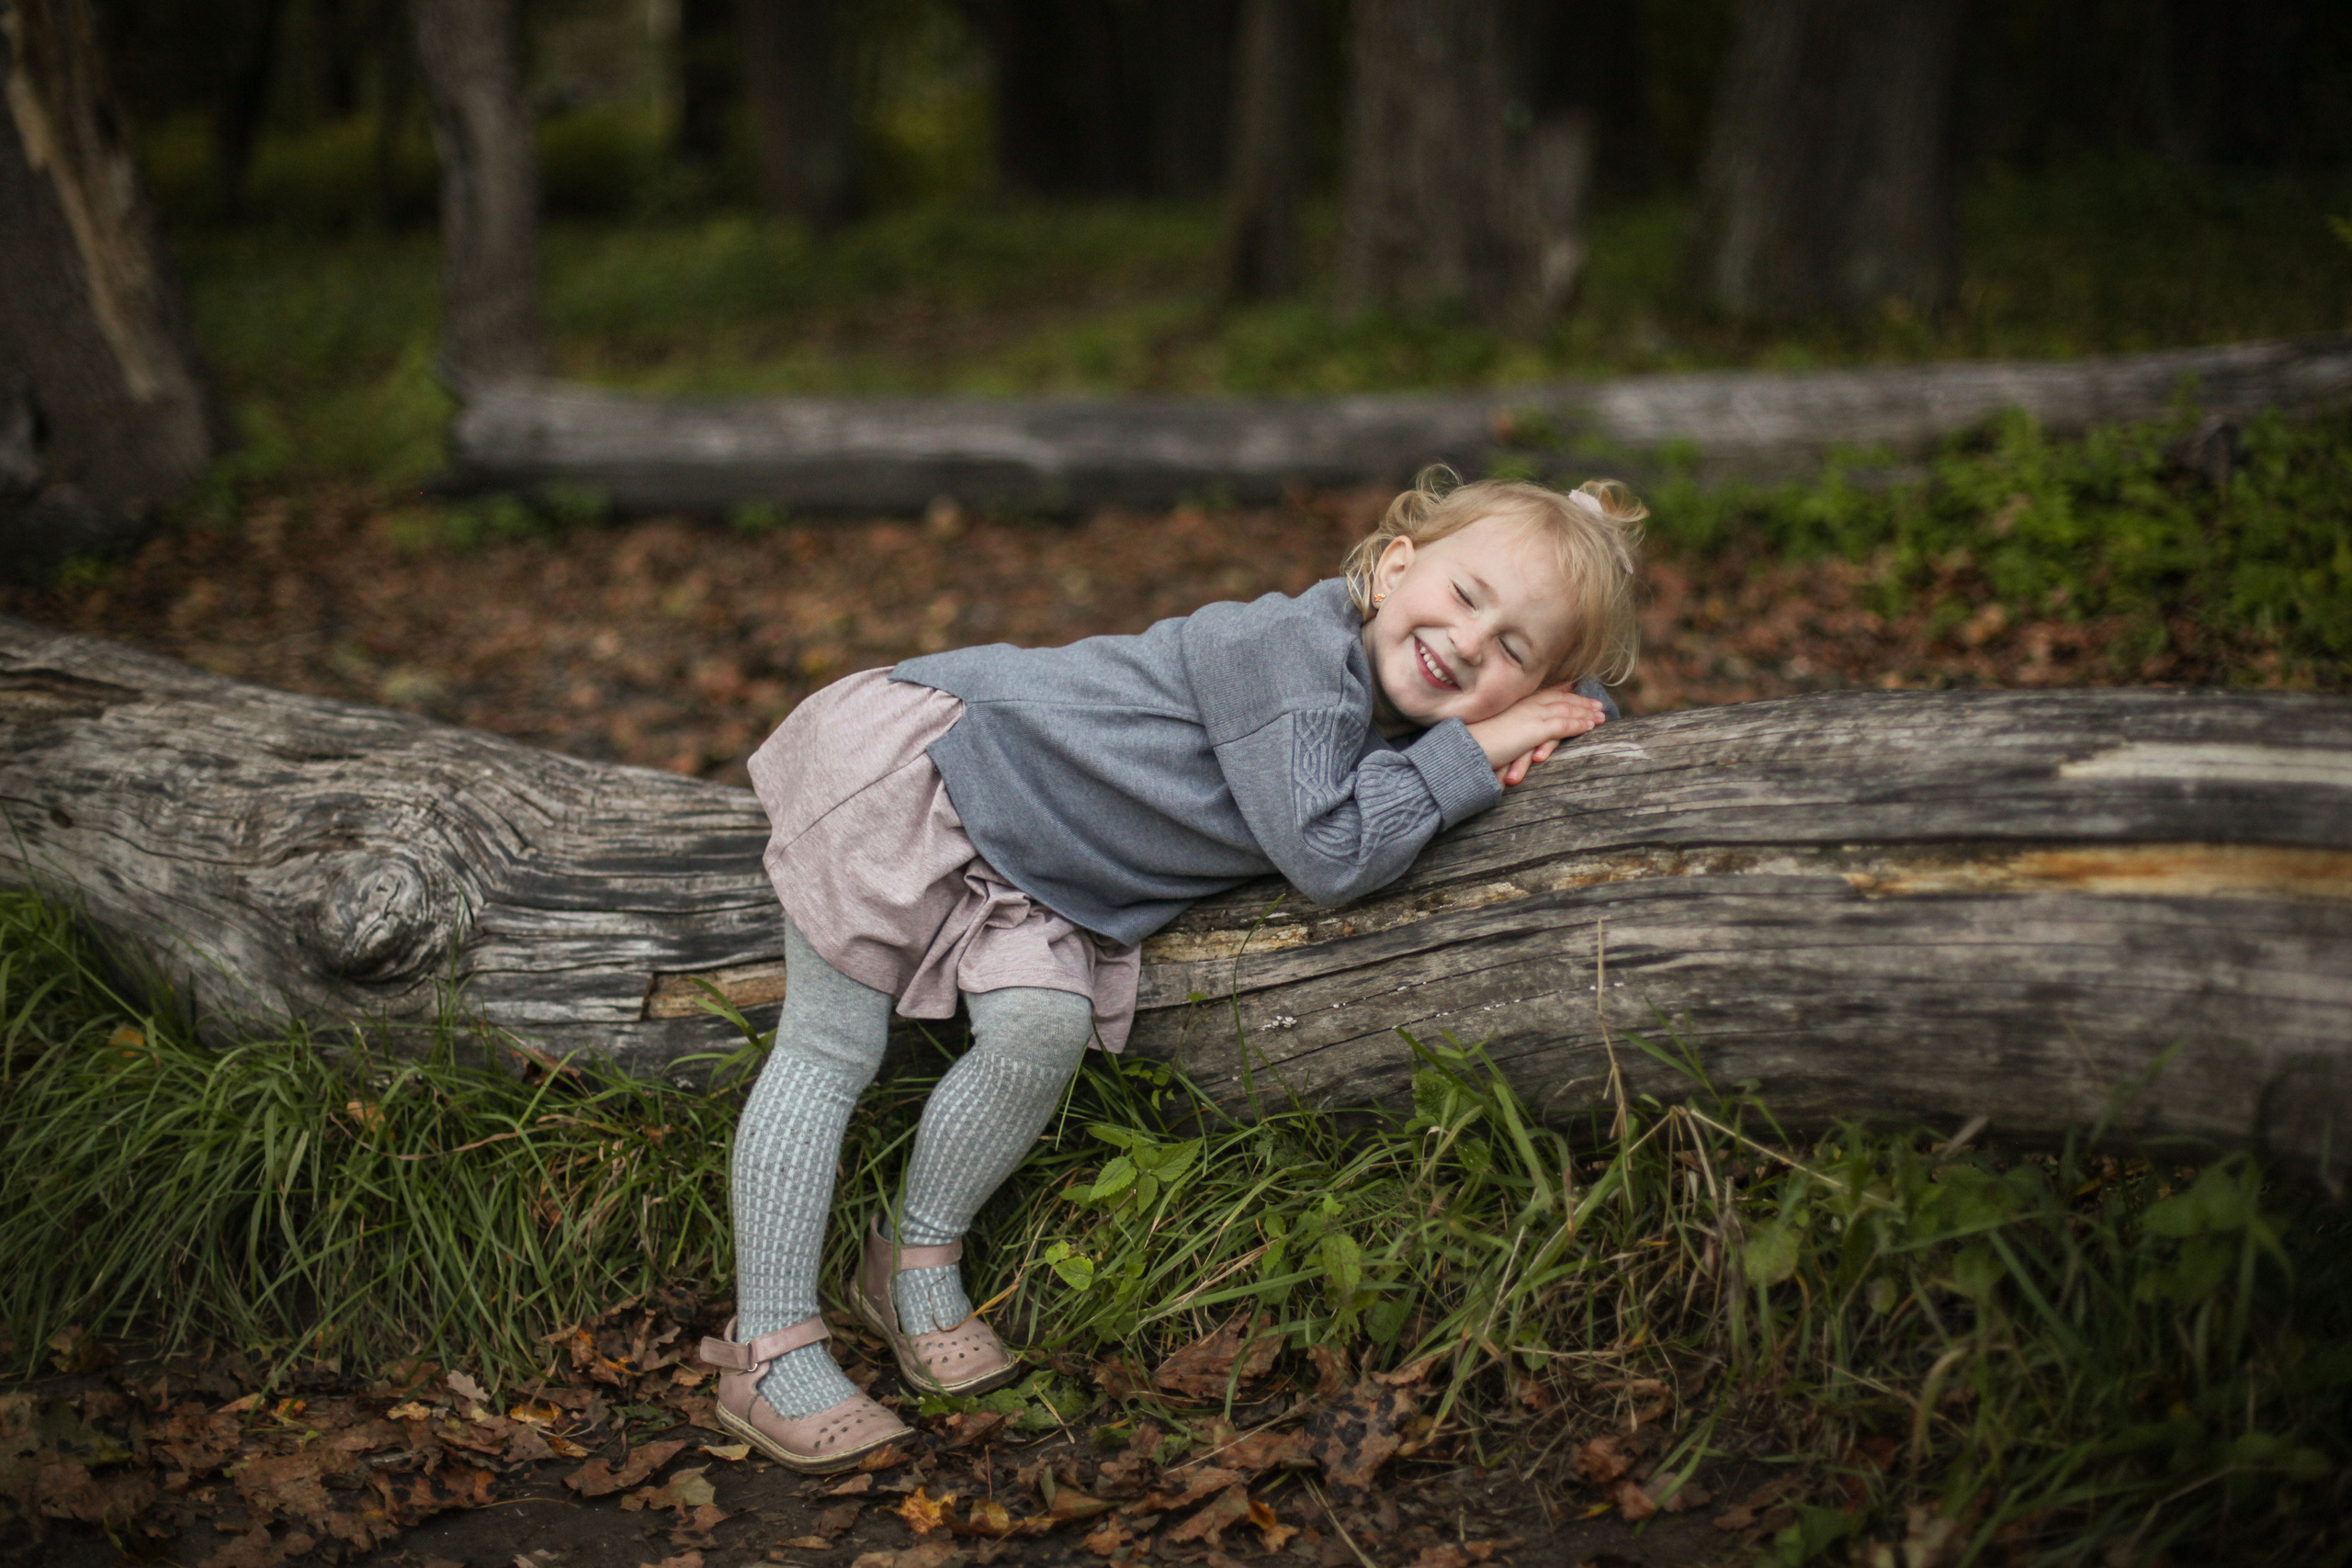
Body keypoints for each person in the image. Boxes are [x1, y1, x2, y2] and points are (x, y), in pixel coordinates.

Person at [699, 468, 1645, 1472]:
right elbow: (1330, 852)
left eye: (1512, 649)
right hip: (940, 770)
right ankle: (765, 1348)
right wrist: (1488, 741)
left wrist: (1563, 713)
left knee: (1039, 1034)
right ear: (1396, 562)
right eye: (1464, 597)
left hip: (1048, 865)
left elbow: (1584, 711)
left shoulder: (1401, 698)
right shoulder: (1288, 653)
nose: (1465, 643)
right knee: (831, 1048)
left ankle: (907, 1261)